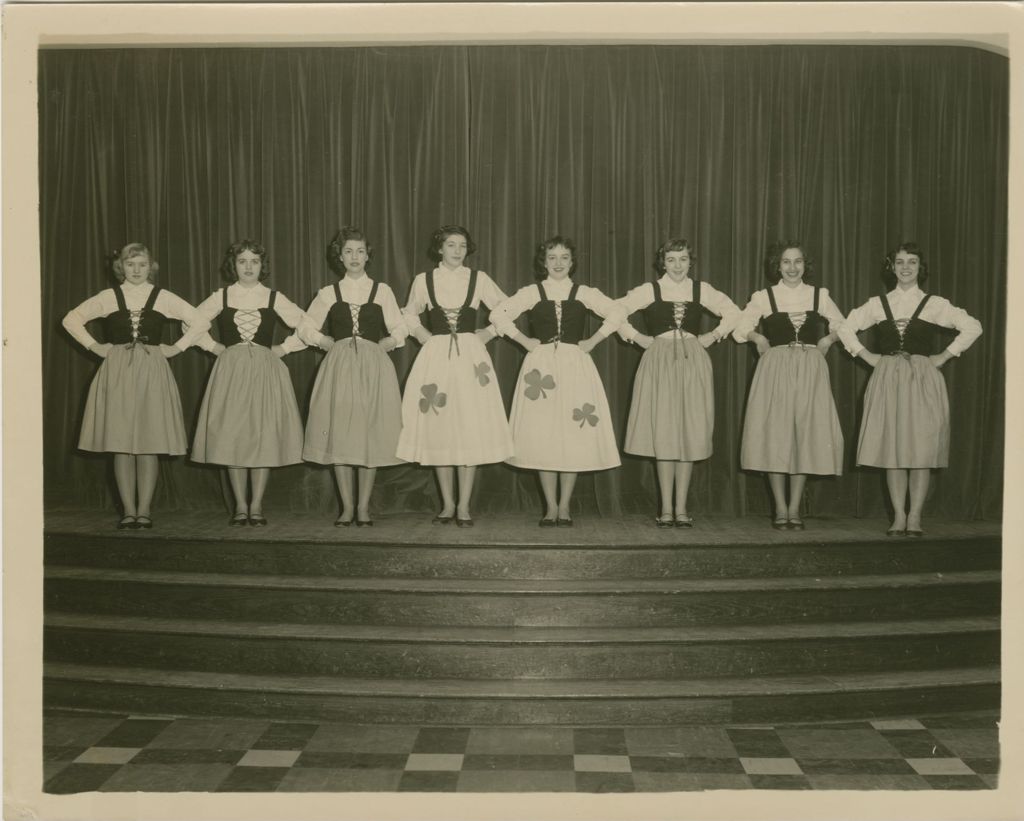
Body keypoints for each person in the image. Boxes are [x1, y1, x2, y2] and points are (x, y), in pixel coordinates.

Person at [62, 242, 210, 530]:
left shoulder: (162, 297)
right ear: (121, 267)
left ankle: (144, 511)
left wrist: (176, 348)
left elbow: (201, 322)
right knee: (121, 444)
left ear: (151, 266)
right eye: (131, 264)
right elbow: (71, 319)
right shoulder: (109, 297)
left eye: (142, 264)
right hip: (117, 370)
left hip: (152, 370)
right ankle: (128, 511)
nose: (137, 270)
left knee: (148, 443)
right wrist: (95, 346)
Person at [837, 242, 982, 536]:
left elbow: (973, 326)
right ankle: (899, 516)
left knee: (920, 449)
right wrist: (867, 356)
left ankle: (915, 516)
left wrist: (943, 356)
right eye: (900, 262)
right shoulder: (878, 304)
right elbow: (844, 327)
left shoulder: (935, 304)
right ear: (892, 268)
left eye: (912, 262)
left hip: (922, 381)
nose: (905, 268)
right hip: (888, 379)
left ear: (920, 268)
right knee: (893, 448)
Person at [491, 236, 624, 526]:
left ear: (572, 261)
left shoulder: (584, 292)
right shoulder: (532, 292)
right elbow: (498, 315)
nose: (559, 263)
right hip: (541, 370)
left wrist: (593, 340)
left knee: (571, 434)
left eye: (564, 257)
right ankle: (550, 506)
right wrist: (525, 341)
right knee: (543, 434)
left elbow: (617, 312)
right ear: (544, 262)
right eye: (553, 257)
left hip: (575, 366)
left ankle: (565, 506)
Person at [616, 239, 741, 527]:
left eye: (683, 259)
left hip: (692, 361)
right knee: (664, 433)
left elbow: (734, 312)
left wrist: (712, 336)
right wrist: (639, 338)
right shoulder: (650, 290)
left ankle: (681, 507)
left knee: (689, 432)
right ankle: (666, 509)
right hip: (659, 361)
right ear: (663, 262)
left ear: (690, 261)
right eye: (671, 259)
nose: (677, 265)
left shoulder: (701, 290)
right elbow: (615, 312)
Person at [397, 225, 513, 527]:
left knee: (469, 426)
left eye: (462, 245)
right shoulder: (424, 281)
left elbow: (508, 308)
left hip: (471, 359)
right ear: (440, 249)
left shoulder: (479, 279)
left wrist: (488, 332)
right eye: (451, 245)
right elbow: (408, 313)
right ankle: (447, 504)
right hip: (436, 358)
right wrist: (423, 335)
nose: (457, 250)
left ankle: (464, 504)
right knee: (441, 428)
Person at [190, 239, 308, 526]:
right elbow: (190, 323)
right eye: (242, 261)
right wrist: (214, 347)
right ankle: (240, 505)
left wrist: (283, 349)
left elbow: (308, 325)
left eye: (254, 261)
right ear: (234, 265)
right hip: (231, 372)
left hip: (265, 372)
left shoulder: (273, 297)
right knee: (233, 435)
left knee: (262, 435)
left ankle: (256, 504)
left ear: (262, 266)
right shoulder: (222, 296)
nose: (248, 267)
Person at [297, 227, 406, 527]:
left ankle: (363, 508)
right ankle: (346, 507)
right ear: (339, 257)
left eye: (360, 251)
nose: (354, 257)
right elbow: (305, 327)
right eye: (348, 251)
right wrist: (325, 342)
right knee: (342, 435)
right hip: (340, 368)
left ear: (368, 255)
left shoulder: (382, 291)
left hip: (373, 368)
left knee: (369, 434)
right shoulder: (328, 293)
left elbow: (400, 327)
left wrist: (387, 343)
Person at [733, 242, 845, 530]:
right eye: (786, 262)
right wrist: (757, 338)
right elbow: (739, 327)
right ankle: (780, 509)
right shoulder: (764, 297)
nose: (792, 267)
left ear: (805, 265)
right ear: (778, 266)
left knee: (803, 436)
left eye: (797, 261)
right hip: (776, 367)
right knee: (776, 436)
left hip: (810, 367)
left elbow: (843, 325)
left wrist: (827, 340)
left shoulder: (818, 295)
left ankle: (795, 508)